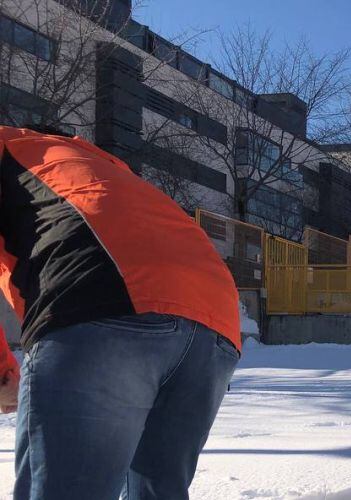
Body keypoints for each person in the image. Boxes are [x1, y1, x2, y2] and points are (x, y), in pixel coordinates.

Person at [0, 125, 241, 500]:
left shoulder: (8, 148)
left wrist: (2, 375)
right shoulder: (98, 165)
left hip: (106, 296)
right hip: (215, 313)